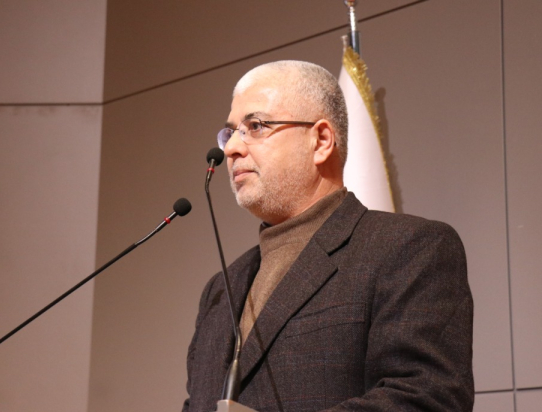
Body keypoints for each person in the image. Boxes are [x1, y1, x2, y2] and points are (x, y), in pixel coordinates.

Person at [183, 61, 474, 412]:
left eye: (256, 126)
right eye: (230, 132)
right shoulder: (219, 290)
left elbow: (427, 398)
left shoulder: (408, 249)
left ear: (321, 140)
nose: (231, 149)